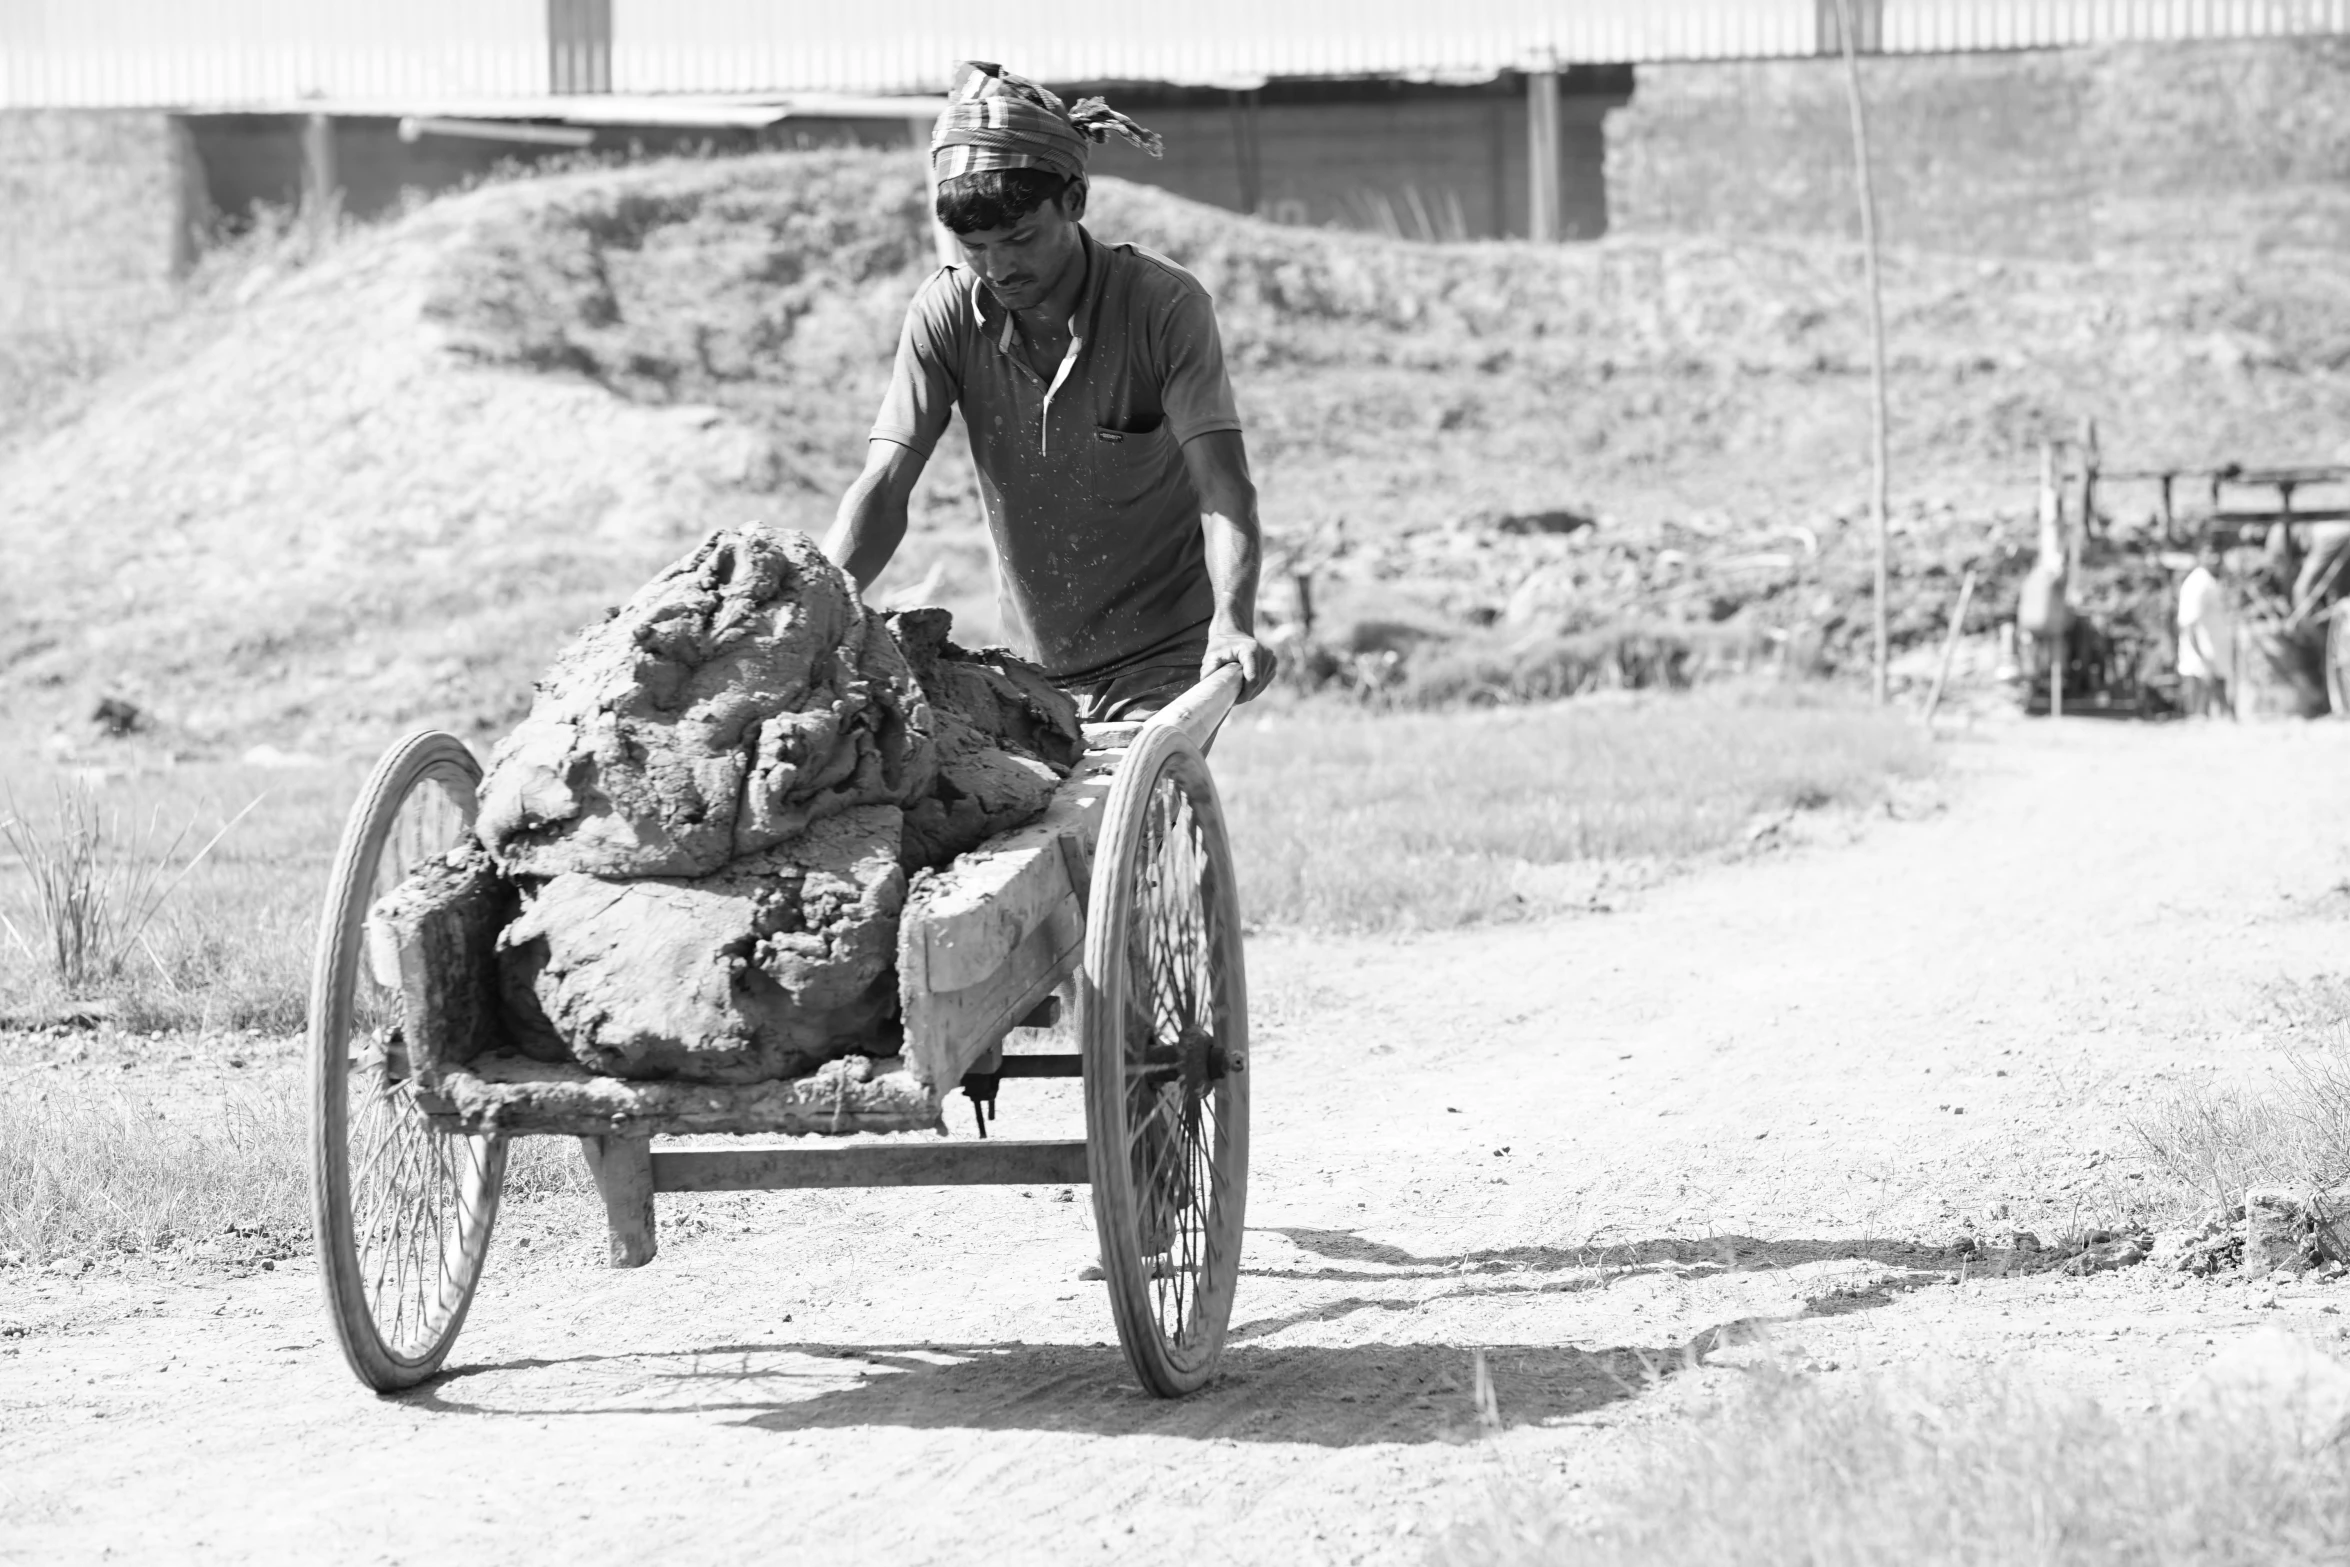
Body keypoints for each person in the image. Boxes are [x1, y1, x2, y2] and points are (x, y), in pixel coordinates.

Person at [824, 61, 1277, 722]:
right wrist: (821, 605)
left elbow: (1222, 486)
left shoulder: (1161, 305)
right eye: (973, 245)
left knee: (1116, 816)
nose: (998, 266)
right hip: (1031, 666)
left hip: (1169, 652)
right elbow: (884, 485)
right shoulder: (946, 313)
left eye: (1020, 238)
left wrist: (1233, 623)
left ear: (1075, 200)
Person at [2176, 538, 2236, 718]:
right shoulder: (2197, 582)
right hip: (2201, 655)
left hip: (2213, 654)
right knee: (2199, 707)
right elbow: (2188, 623)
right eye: (2210, 553)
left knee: (2217, 688)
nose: (2215, 558)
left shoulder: (2209, 580)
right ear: (2200, 556)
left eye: (2216, 553)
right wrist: (2199, 654)